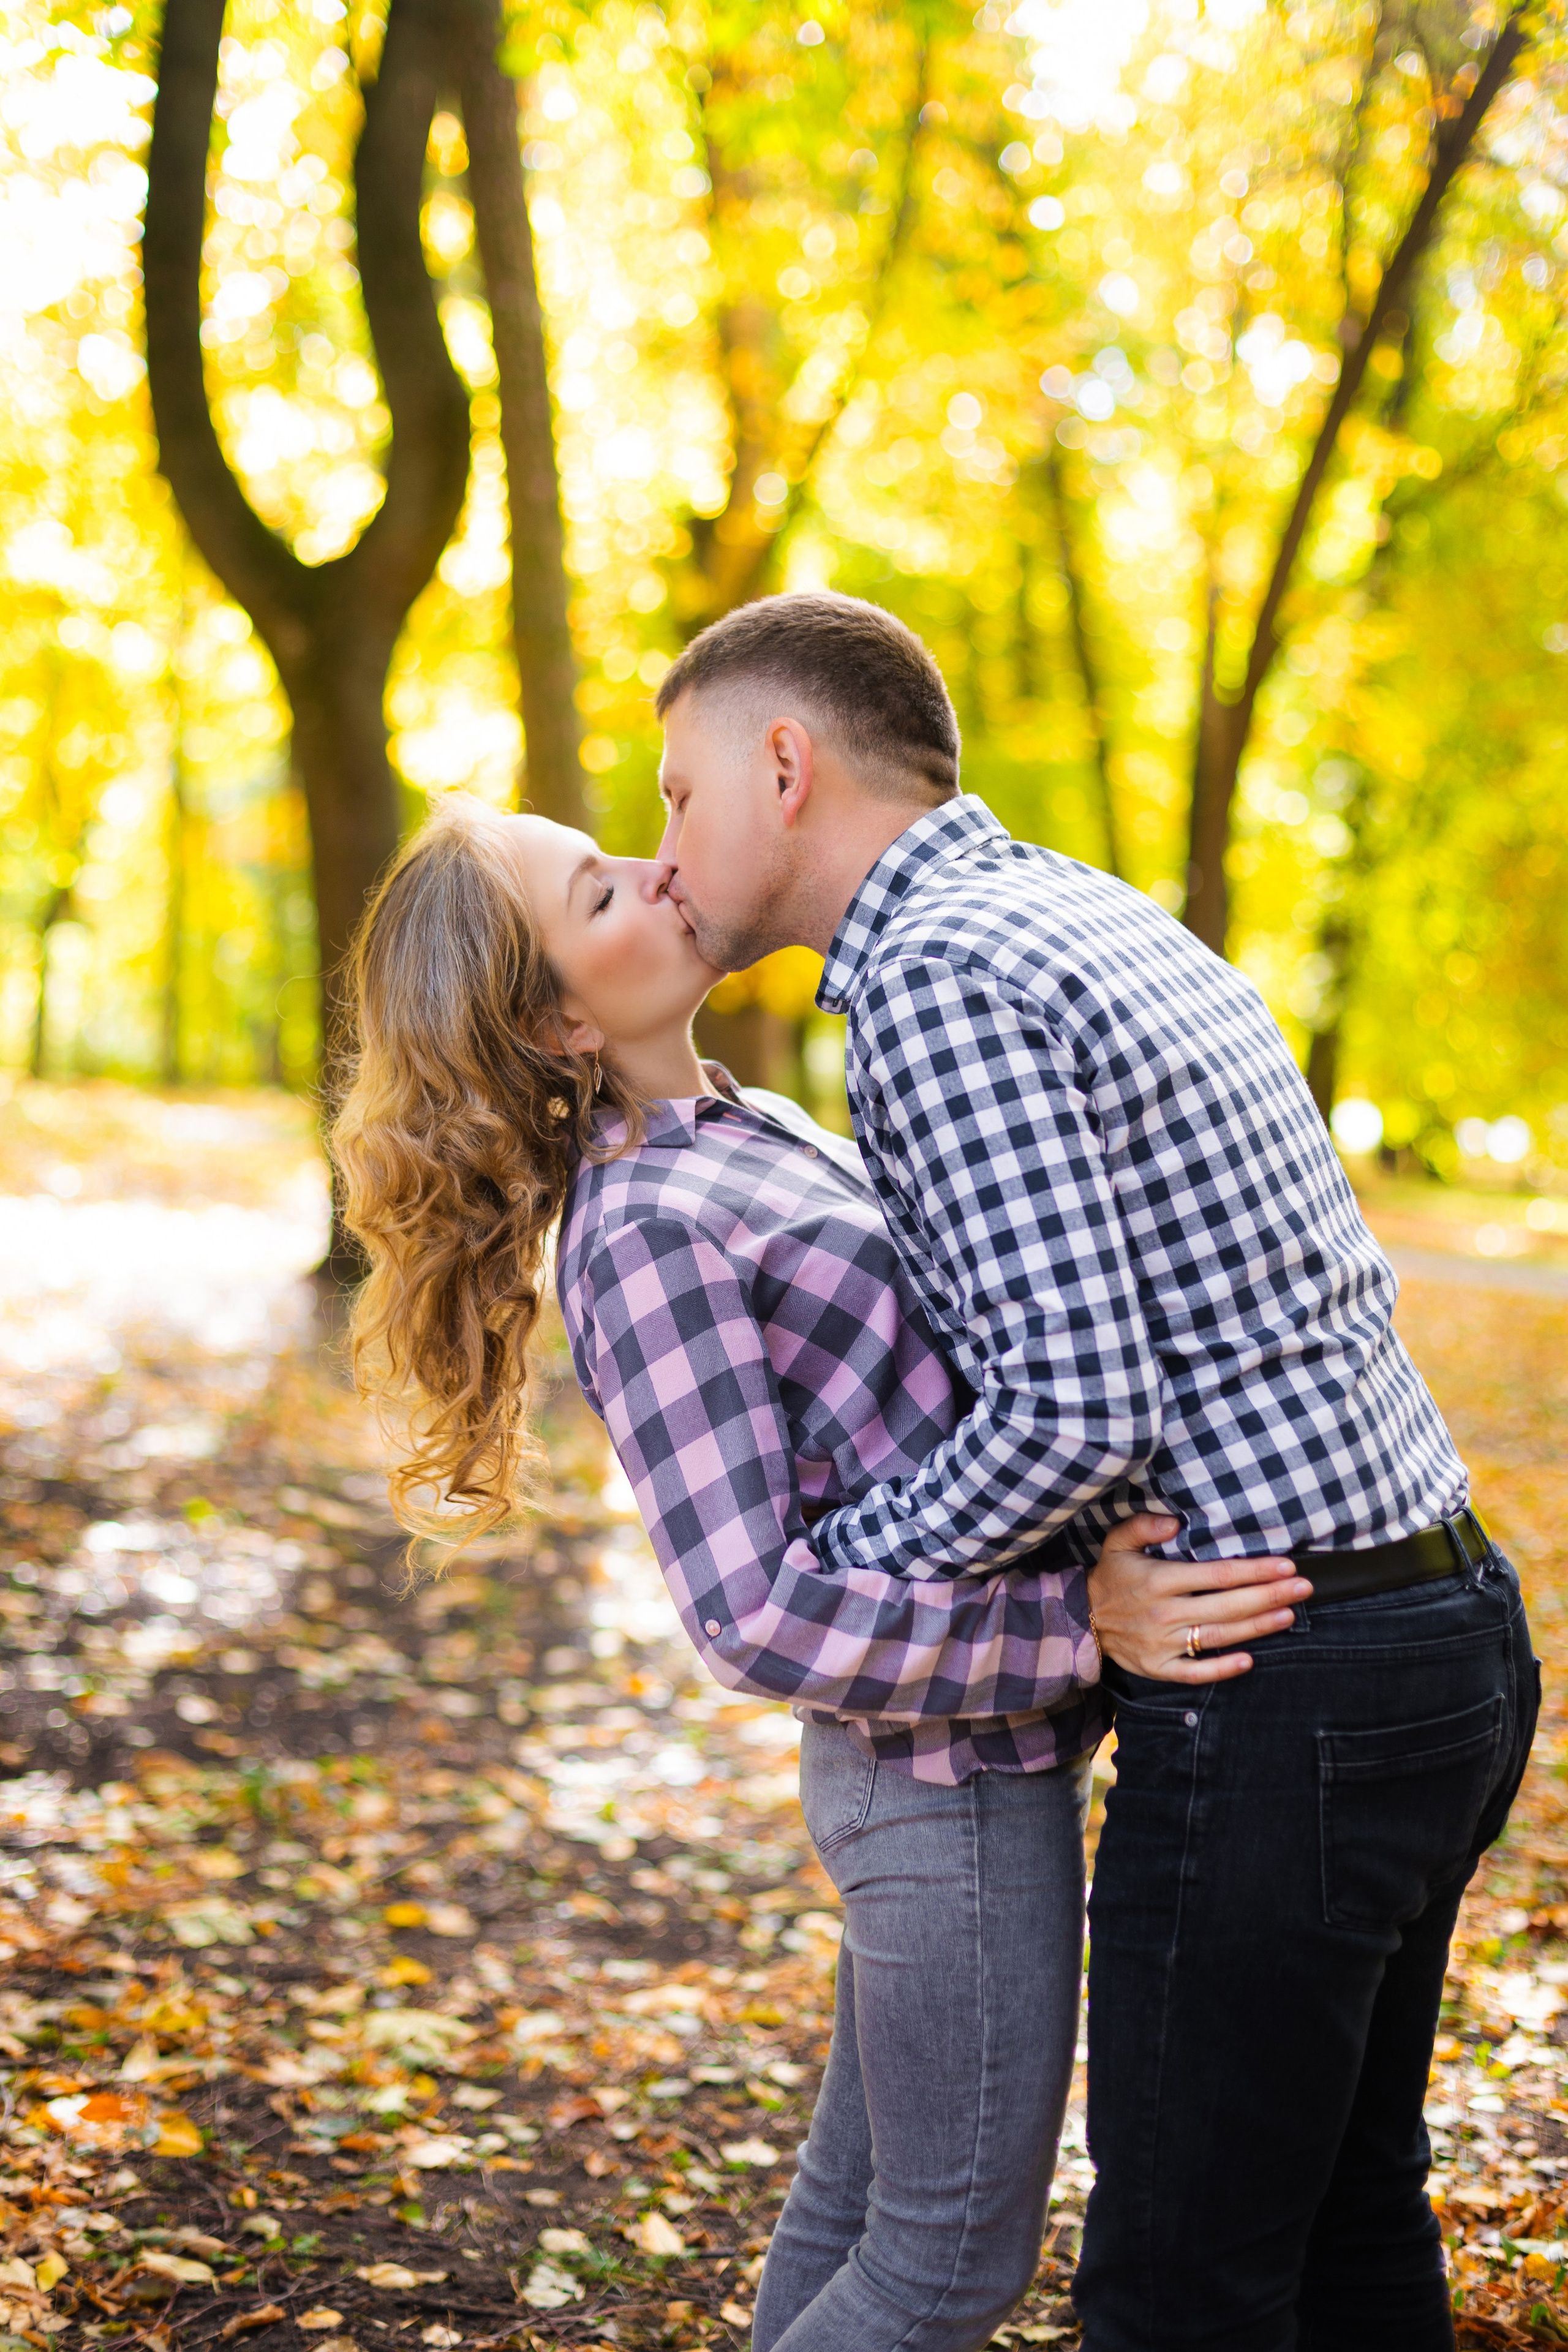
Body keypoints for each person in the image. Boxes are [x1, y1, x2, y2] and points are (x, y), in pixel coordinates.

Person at [650, 590, 1540, 2352]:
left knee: (1180, 2293)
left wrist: (851, 1569)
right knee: (1348, 2218)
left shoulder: (930, 977)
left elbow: (1072, 1410)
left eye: (679, 794)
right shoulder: (1073, 907)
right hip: (1441, 1631)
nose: (665, 843)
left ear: (783, 763)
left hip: (1279, 1677)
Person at [330, 793, 1297, 2352]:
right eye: (598, 892)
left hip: (970, 1776)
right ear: (562, 1022)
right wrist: (1079, 1627)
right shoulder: (641, 1232)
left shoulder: (748, 1127)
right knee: (944, 2270)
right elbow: (752, 1614)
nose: (653, 866)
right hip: (936, 1790)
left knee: (855, 2221)